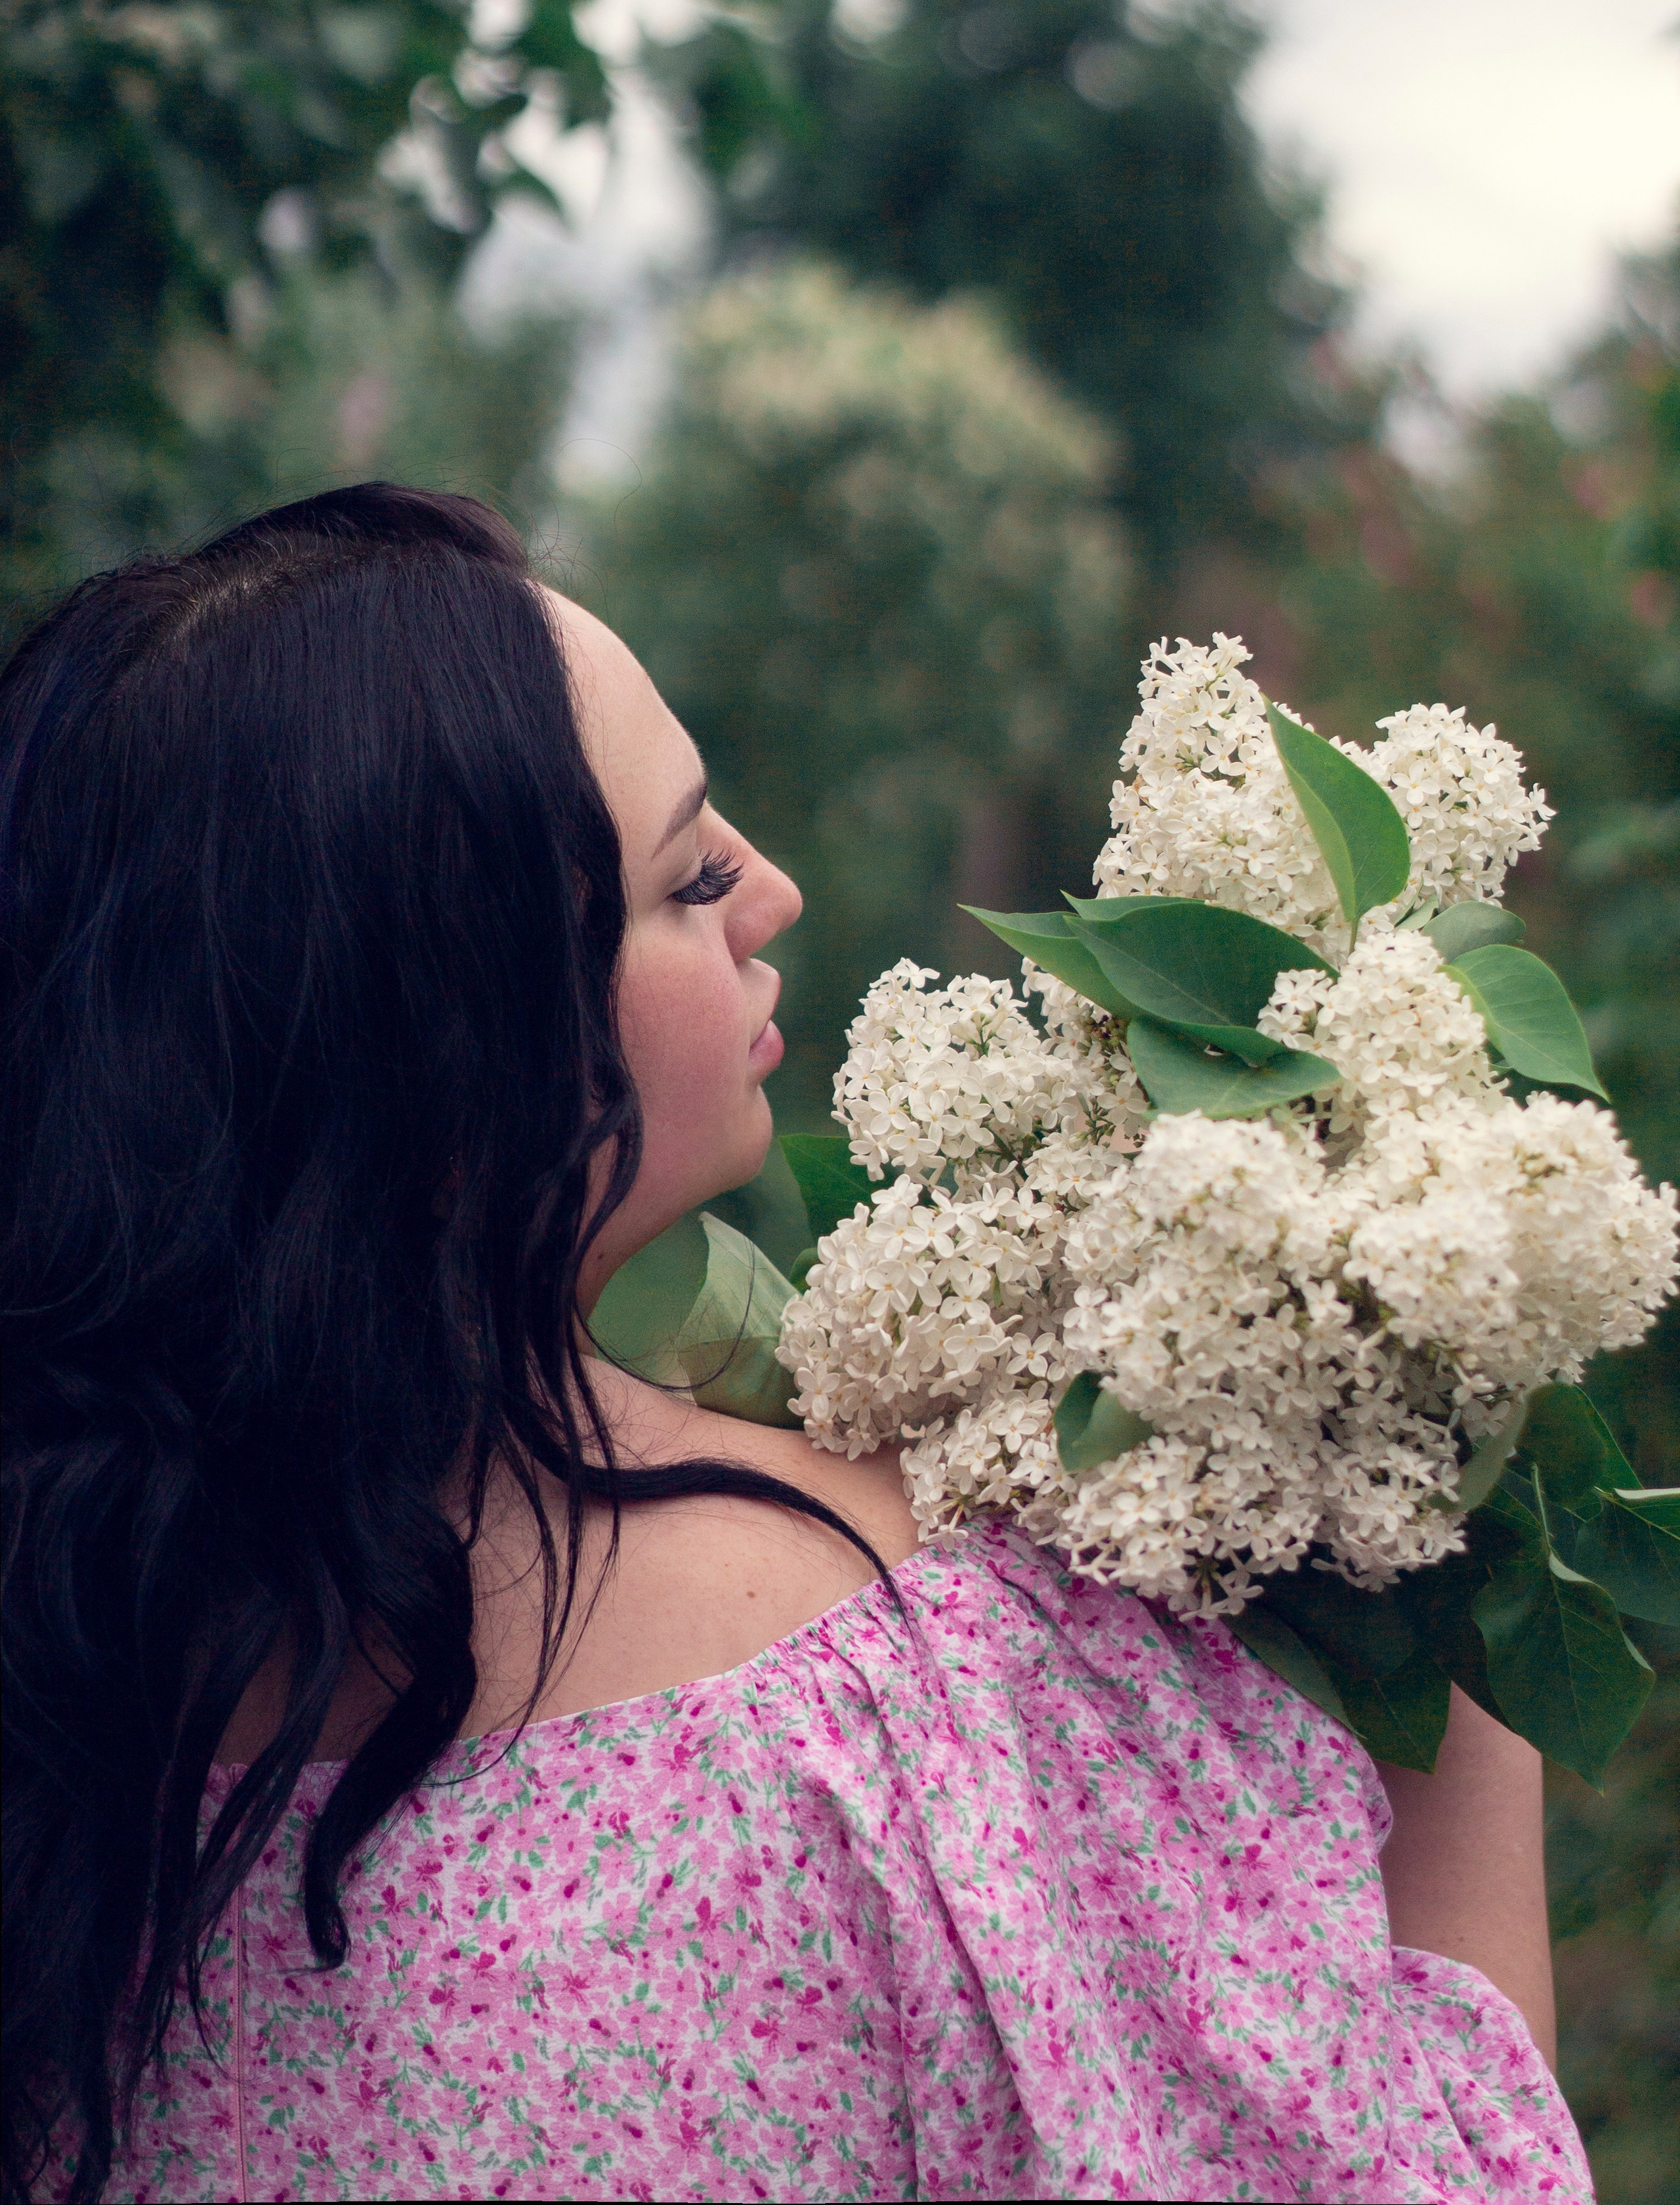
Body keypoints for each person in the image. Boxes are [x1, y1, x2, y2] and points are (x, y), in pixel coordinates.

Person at [2, 488, 1588, 2205]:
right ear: (461, 1056)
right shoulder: (938, 1694)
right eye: (688, 879)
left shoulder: (66, 1716)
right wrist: (1442, 1519)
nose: (774, 889)